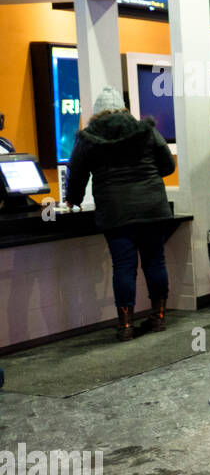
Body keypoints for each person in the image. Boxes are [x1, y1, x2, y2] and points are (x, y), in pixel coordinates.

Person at [65, 87, 175, 341]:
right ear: (124, 108)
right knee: (155, 261)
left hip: (115, 212)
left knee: (123, 266)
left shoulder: (89, 138)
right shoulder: (146, 130)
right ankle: (157, 318)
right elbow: (168, 164)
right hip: (152, 208)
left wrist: (74, 200)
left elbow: (76, 171)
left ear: (97, 112)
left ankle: (125, 325)